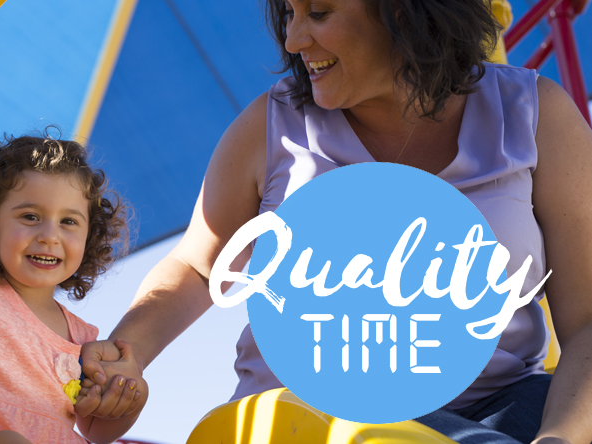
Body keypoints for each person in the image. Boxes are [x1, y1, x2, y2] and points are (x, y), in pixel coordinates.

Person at [79, 0, 592, 442]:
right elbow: (197, 267)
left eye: (319, 13)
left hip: (501, 411)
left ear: (403, 11)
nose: (293, 39)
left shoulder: (535, 114)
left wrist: (558, 438)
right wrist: (128, 353)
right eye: (288, 13)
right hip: (311, 416)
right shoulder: (271, 127)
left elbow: (587, 320)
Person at [0, 132, 147, 444]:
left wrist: (130, 400)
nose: (49, 235)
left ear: (88, 235)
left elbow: (95, 429)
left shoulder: (81, 337)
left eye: (68, 222)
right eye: (30, 217)